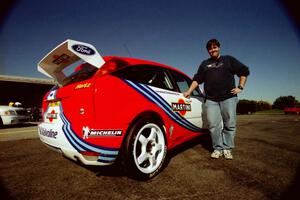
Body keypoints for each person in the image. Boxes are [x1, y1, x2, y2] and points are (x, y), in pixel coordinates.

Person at [183, 39, 250, 159]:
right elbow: (197, 79)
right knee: (213, 125)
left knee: (230, 124)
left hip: (228, 98)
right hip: (211, 99)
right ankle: (217, 148)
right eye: (210, 48)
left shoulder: (228, 60)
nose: (212, 50)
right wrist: (189, 91)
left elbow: (244, 71)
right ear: (208, 51)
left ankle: (227, 148)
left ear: (219, 48)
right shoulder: (204, 64)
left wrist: (240, 87)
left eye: (214, 47)